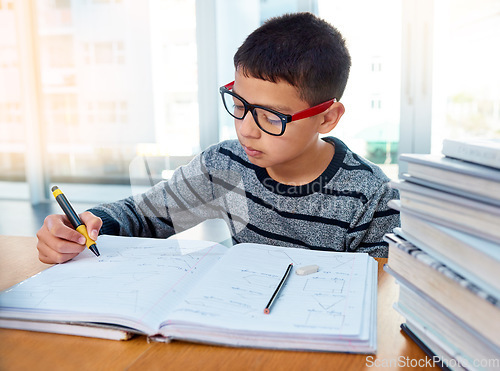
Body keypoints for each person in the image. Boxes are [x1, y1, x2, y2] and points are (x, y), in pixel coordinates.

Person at [36, 12, 400, 264]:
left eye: (271, 116)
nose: (246, 128)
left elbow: (376, 300)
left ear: (327, 117)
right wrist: (82, 225)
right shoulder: (226, 165)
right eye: (239, 103)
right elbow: (145, 216)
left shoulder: (373, 199)